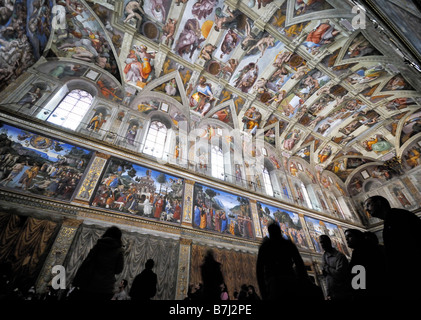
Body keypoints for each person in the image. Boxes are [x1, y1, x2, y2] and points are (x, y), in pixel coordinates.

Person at [364, 196, 421, 299]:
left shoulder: (398, 217)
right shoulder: (390, 219)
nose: (366, 209)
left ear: (379, 203)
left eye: (369, 205)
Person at [256, 222, 310, 300]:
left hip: (274, 282)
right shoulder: (288, 244)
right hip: (288, 279)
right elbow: (300, 264)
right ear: (279, 231)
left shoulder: (265, 246)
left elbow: (259, 270)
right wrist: (303, 282)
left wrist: (263, 292)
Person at [72, 226, 124, 300]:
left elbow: (86, 263)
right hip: (105, 287)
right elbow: (118, 270)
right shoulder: (119, 251)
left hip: (89, 284)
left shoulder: (98, 246)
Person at [319, 235, 352, 300]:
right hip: (330, 294)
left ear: (329, 242)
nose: (322, 244)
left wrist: (326, 267)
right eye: (321, 242)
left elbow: (340, 274)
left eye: (324, 242)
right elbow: (327, 277)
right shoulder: (324, 256)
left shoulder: (339, 256)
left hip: (341, 293)